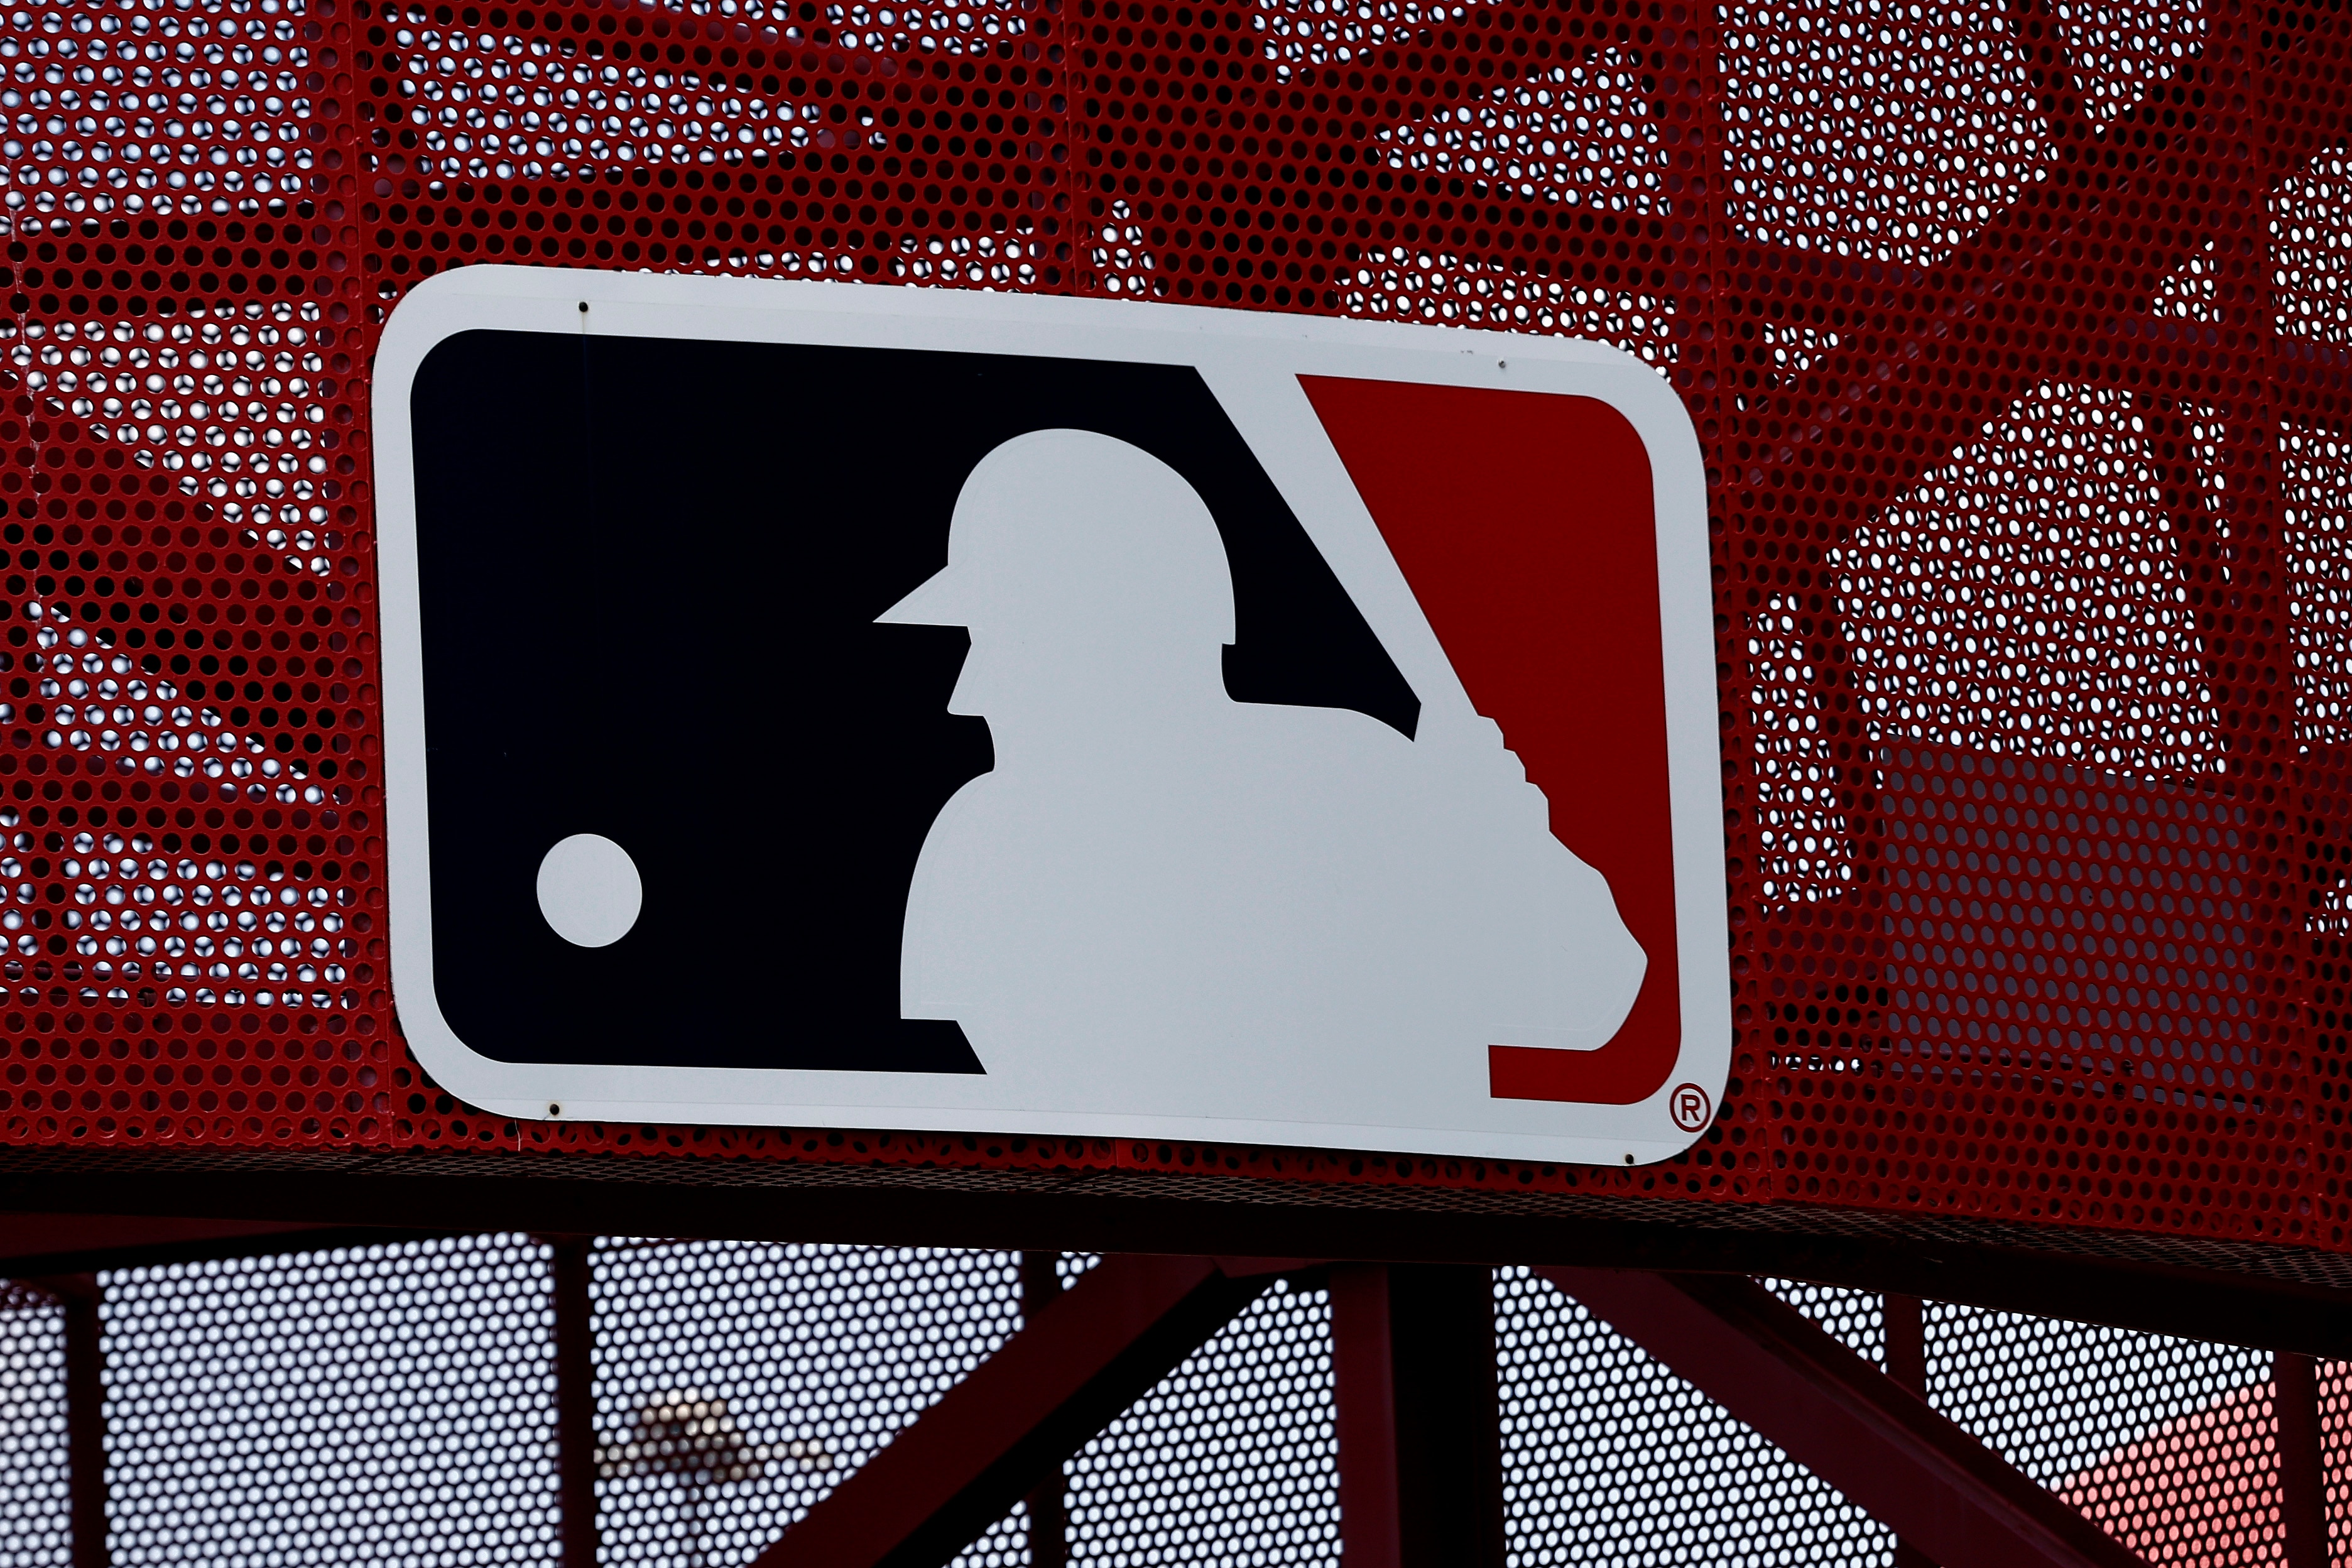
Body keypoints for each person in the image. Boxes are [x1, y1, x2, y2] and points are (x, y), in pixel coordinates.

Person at [878, 429, 1645, 1126]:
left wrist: (1499, 844)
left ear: (1107, 636)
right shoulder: (1367, 774)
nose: (965, 692)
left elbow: (1596, 996)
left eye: (1000, 640)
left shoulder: (1364, 778)